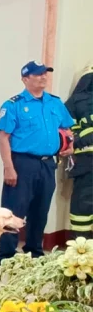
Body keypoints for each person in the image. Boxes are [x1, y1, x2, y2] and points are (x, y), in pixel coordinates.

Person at [0, 61, 76, 264]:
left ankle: (34, 251)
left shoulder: (55, 103)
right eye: (38, 74)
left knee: (41, 210)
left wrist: (69, 142)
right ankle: (6, 256)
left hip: (48, 164)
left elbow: (67, 128)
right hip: (22, 163)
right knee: (14, 210)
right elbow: (4, 137)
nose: (43, 77)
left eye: (45, 74)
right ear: (25, 79)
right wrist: (8, 167)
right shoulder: (13, 105)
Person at [65, 66, 93, 238]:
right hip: (86, 163)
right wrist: (88, 135)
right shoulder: (75, 102)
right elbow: (68, 134)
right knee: (83, 205)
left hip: (85, 163)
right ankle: (80, 246)